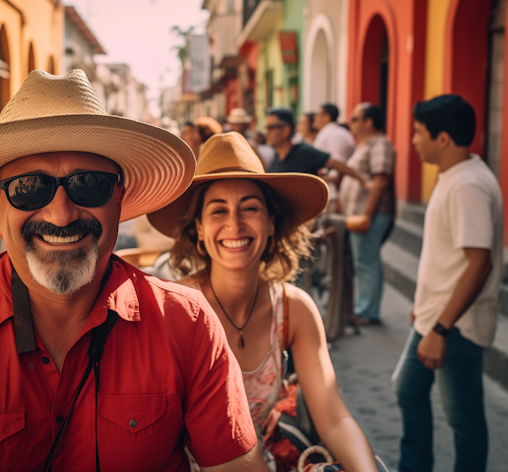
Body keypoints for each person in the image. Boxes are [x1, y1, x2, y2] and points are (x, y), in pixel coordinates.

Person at [0, 70, 267, 471]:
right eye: (29, 187)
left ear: (118, 199)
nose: (61, 214)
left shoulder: (186, 322)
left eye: (89, 184)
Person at [148, 132, 381, 472]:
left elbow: (332, 418)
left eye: (250, 208)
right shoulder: (175, 310)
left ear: (271, 223)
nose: (234, 224)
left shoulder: (294, 309)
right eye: (218, 211)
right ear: (198, 228)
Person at [393, 95, 503, 472]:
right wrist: (425, 306)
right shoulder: (457, 174)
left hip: (455, 325)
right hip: (435, 317)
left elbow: (479, 264)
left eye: (419, 132)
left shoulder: (468, 185)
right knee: (408, 388)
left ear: (443, 139)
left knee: (464, 419)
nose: (413, 140)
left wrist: (441, 327)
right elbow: (451, 258)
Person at [341, 103, 396, 325]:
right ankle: (363, 307)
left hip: (370, 214)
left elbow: (380, 182)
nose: (350, 122)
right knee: (362, 261)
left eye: (355, 119)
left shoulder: (380, 144)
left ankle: (367, 312)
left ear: (369, 122)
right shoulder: (364, 145)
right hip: (359, 214)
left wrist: (367, 216)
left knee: (367, 262)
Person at [264, 108, 369, 188]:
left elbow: (335, 163)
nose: (266, 132)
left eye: (270, 128)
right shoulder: (276, 158)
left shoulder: (303, 152)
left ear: (286, 130)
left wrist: (365, 182)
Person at [313, 103, 356, 202]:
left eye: (318, 114)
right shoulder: (330, 132)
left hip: (332, 194)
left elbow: (337, 166)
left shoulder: (335, 134)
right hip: (328, 191)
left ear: (327, 117)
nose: (315, 117)